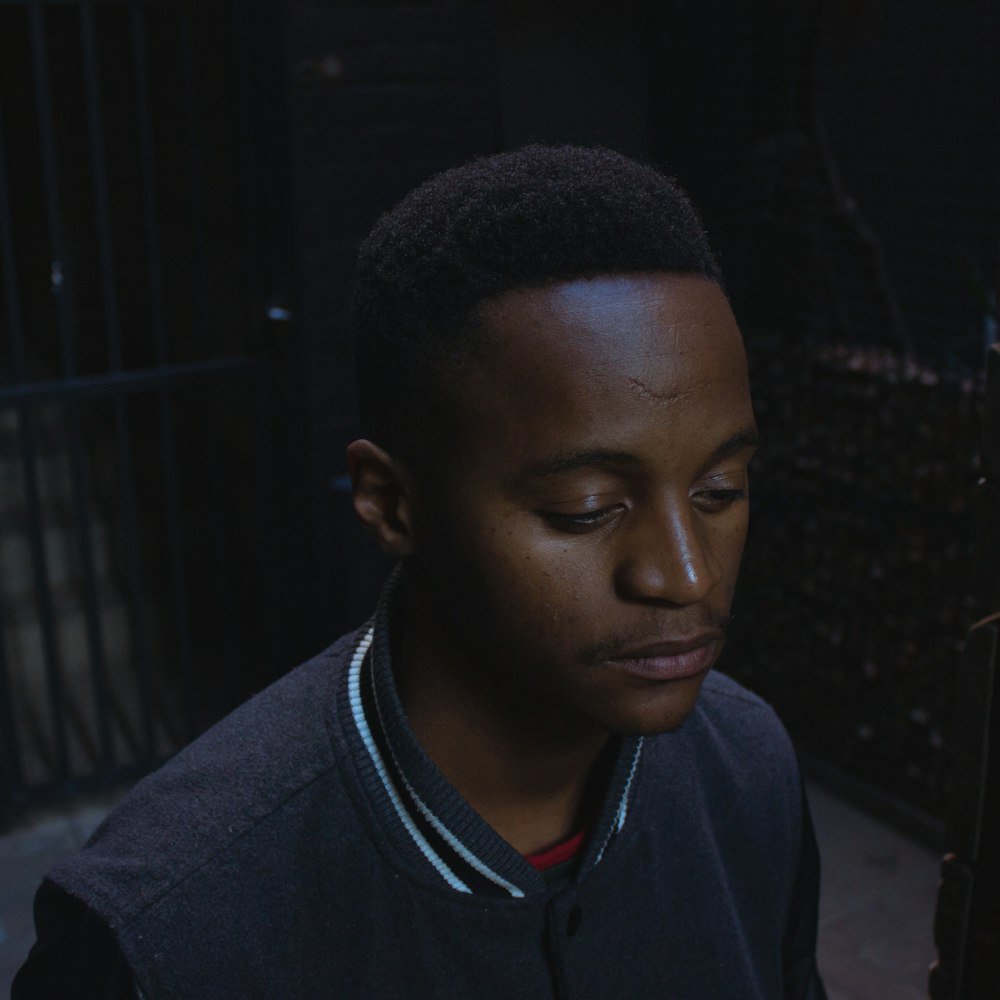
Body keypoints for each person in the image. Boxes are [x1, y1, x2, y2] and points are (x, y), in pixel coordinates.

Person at [14, 144, 827, 999]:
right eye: (585, 509)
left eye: (720, 489)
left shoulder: (748, 769)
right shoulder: (161, 935)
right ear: (392, 504)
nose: (686, 574)